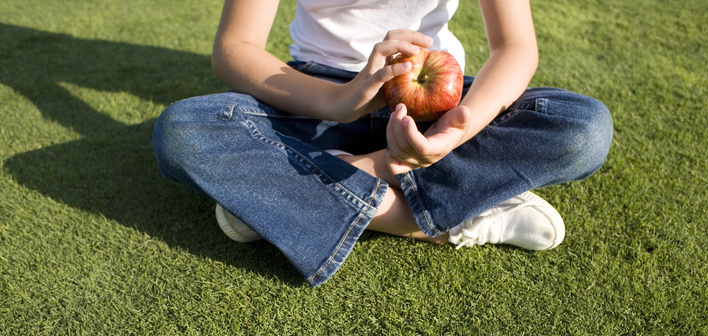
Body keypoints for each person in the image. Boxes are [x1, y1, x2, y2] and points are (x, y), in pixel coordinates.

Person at [152, 0, 613, 287]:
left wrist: (451, 137)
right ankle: (446, 218)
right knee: (183, 130)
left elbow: (515, 47)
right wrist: (339, 100)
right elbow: (235, 48)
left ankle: (287, 194)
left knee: (583, 126)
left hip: (438, 107)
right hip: (318, 97)